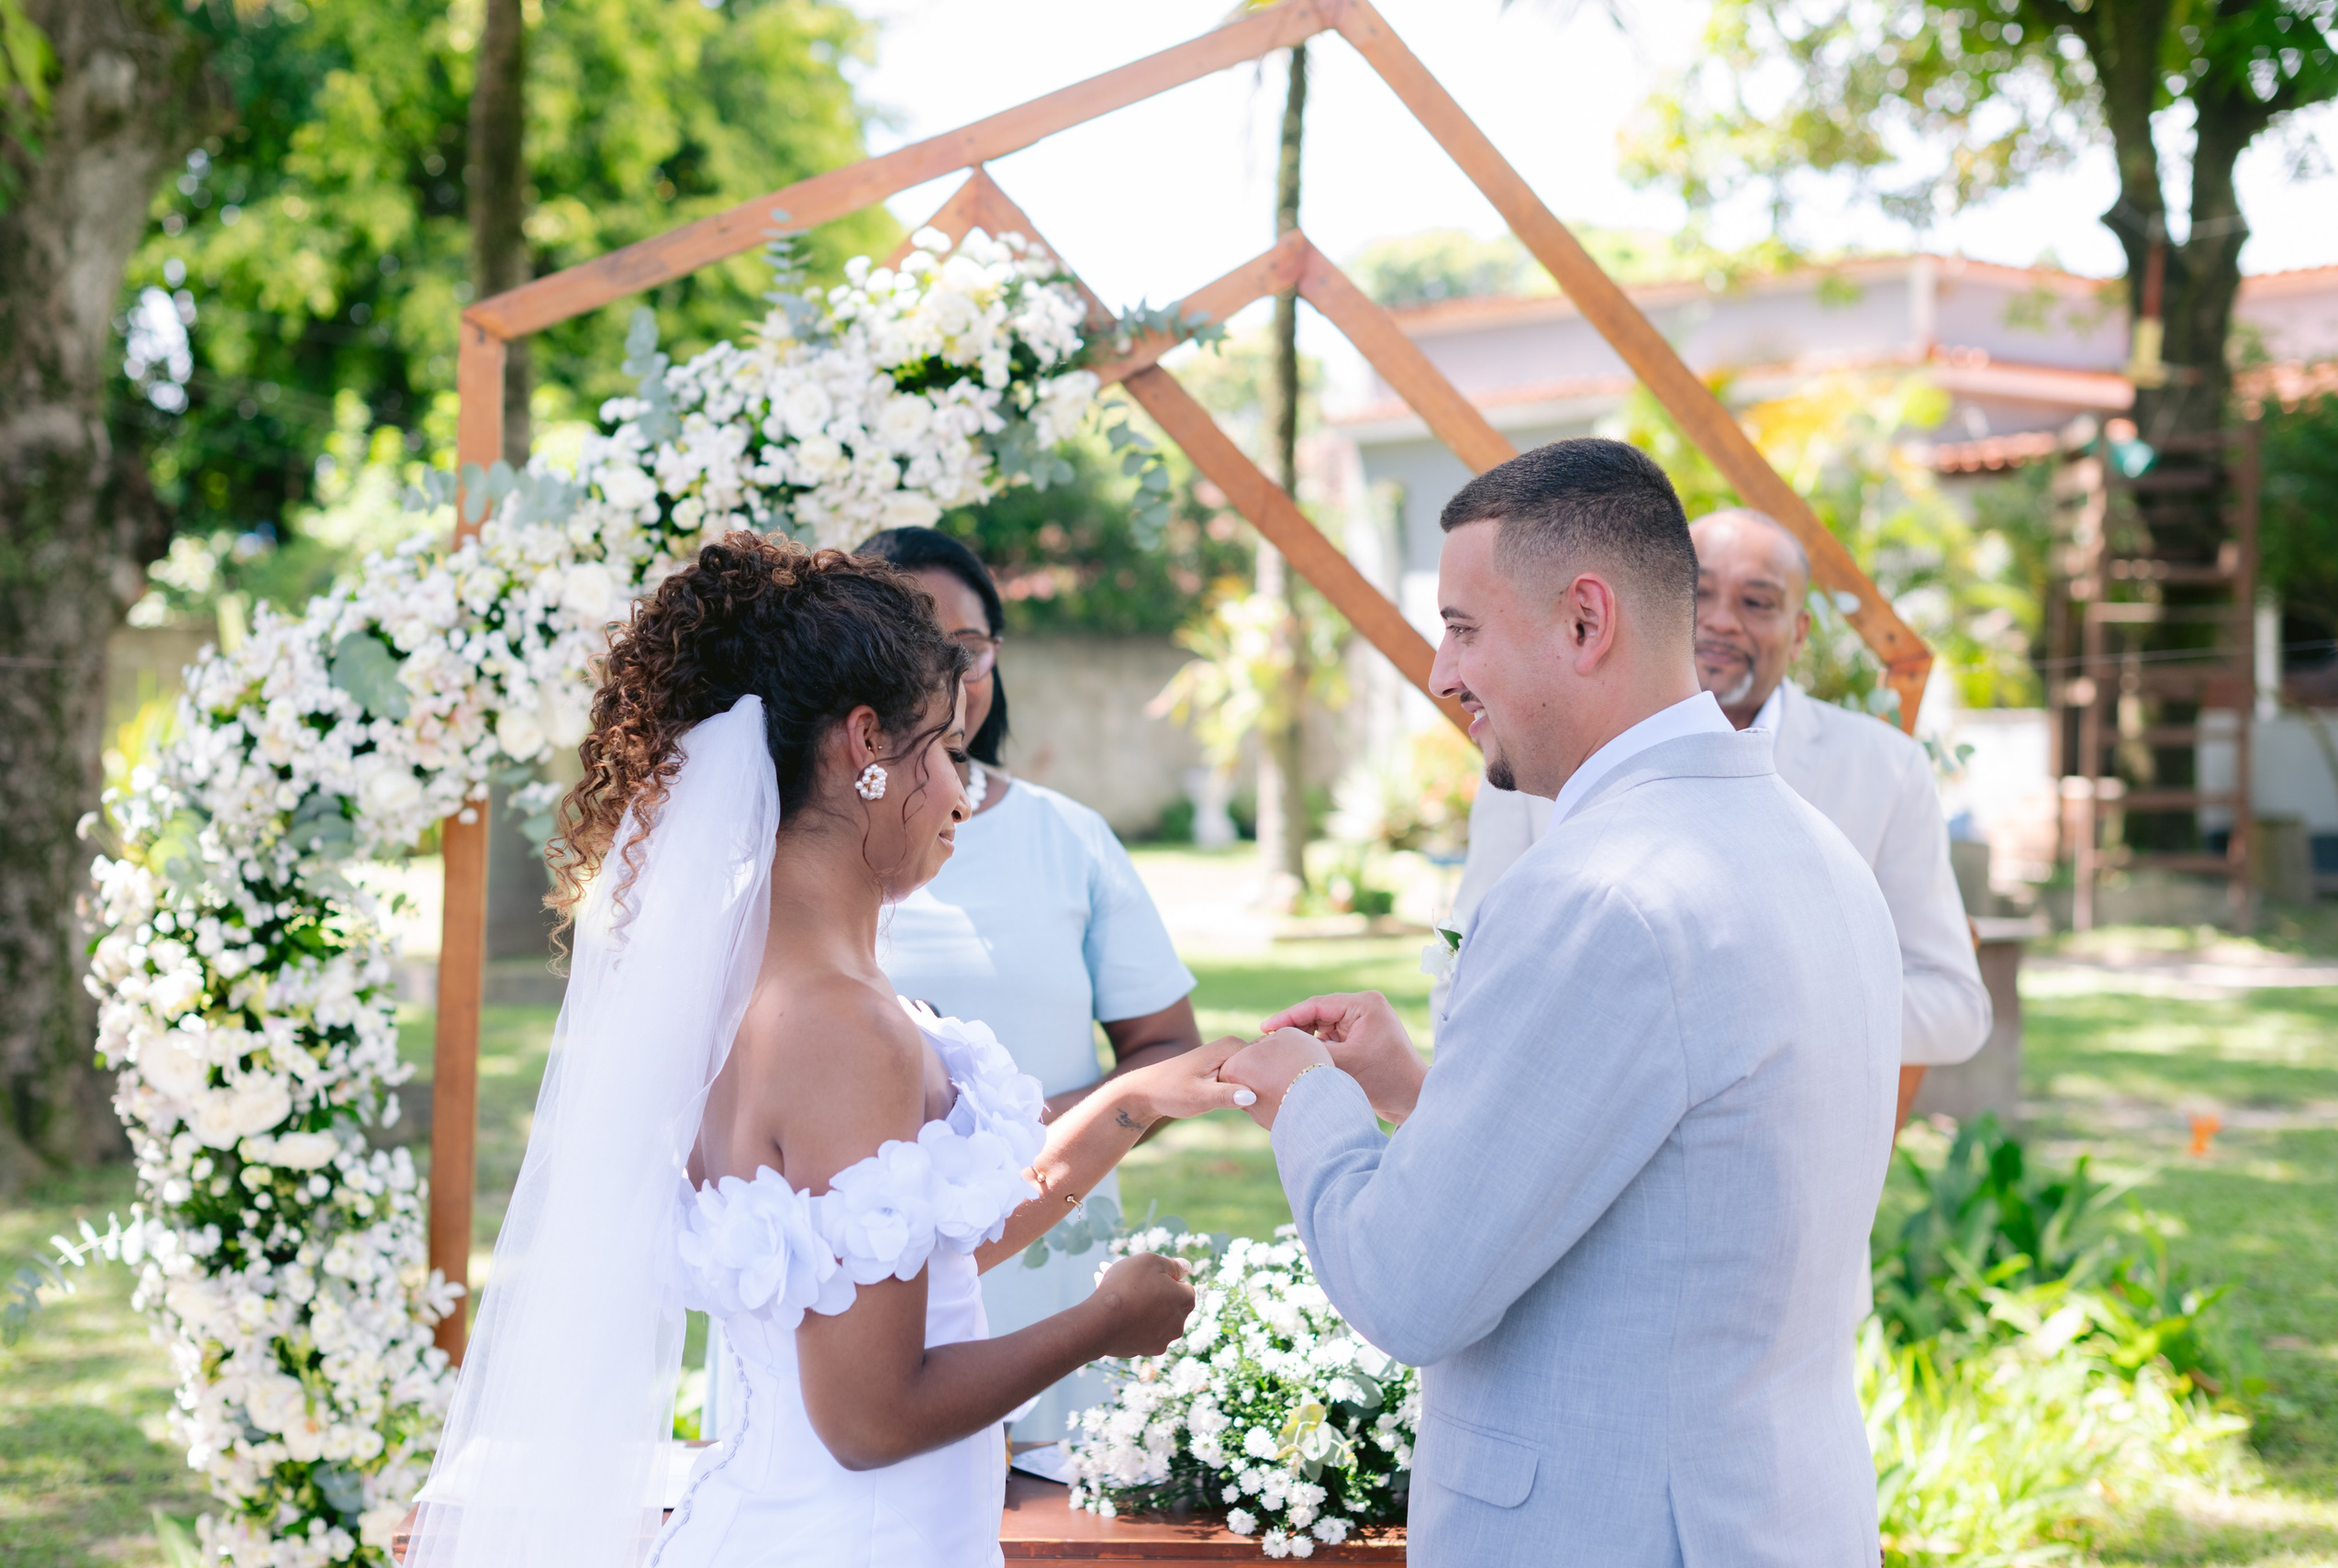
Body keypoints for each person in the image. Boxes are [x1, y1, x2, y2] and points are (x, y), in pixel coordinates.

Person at [408, 536, 1247, 1568]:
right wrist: (1105, 1319)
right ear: (865, 748)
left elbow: (893, 1261)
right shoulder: (840, 1027)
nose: (959, 790)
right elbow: (871, 1418)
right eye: (938, 749)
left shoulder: (745, 981)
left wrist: (1128, 1104)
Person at [1218, 440, 1902, 1566]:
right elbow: (1678, 1177)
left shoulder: (1598, 890)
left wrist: (1309, 1101)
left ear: (1585, 622)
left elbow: (1410, 1284)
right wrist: (1414, 1091)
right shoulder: (1810, 845)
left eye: (1463, 627)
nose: (1442, 673)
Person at [1444, 505, 1991, 1122]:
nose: (1723, 622)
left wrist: (1760, 1011)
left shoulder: (1885, 770)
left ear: (1801, 630)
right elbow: (1464, 962)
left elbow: (1955, 1006)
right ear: (1660, 605)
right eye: (1700, 595)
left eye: (1757, 603)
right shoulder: (1537, 745)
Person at [856, 526, 1203, 1443]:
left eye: (965, 651)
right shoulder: (798, 862)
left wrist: (1032, 1134)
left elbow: (1168, 1047)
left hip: (1050, 1268)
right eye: (912, 650)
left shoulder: (1070, 837)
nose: (946, 676)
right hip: (865, 1286)